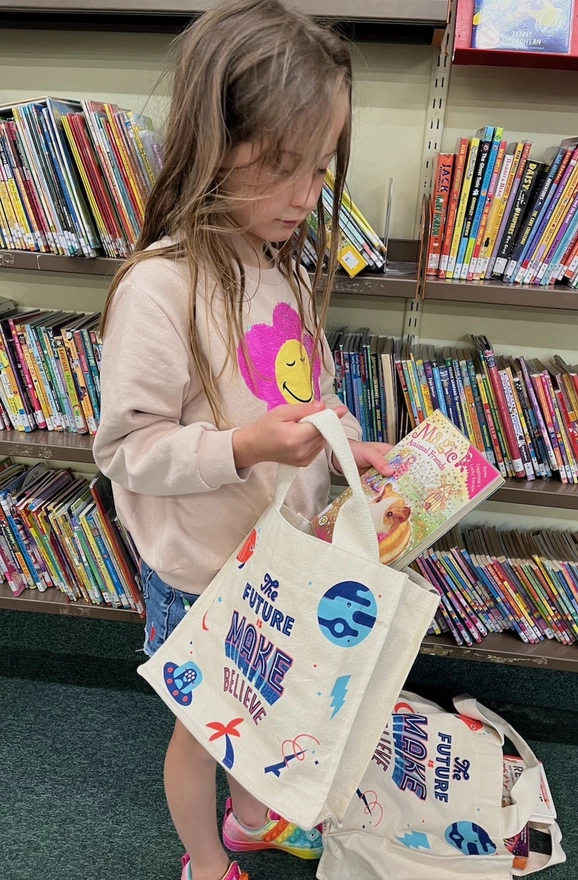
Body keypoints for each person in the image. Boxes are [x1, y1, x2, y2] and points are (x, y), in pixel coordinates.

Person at [93, 2, 392, 879]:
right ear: (213, 145)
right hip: (199, 570)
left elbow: (310, 392)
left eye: (320, 167)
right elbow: (127, 452)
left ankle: (251, 820)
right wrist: (246, 447)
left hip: (277, 557)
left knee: (257, 710)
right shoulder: (159, 288)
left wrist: (349, 448)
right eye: (282, 167)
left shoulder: (281, 268)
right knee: (206, 731)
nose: (307, 196)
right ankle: (203, 860)